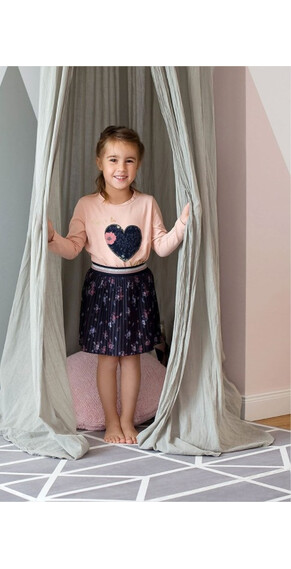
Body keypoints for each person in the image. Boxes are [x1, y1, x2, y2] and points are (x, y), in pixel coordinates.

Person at [48, 126, 189, 445]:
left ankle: (127, 421)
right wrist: (52, 238)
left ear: (138, 164)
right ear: (100, 162)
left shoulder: (147, 203)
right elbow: (72, 248)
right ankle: (111, 421)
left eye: (129, 160)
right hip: (103, 289)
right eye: (113, 159)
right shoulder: (87, 205)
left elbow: (162, 246)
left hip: (138, 287)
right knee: (108, 359)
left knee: (132, 358)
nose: (121, 168)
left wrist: (182, 224)